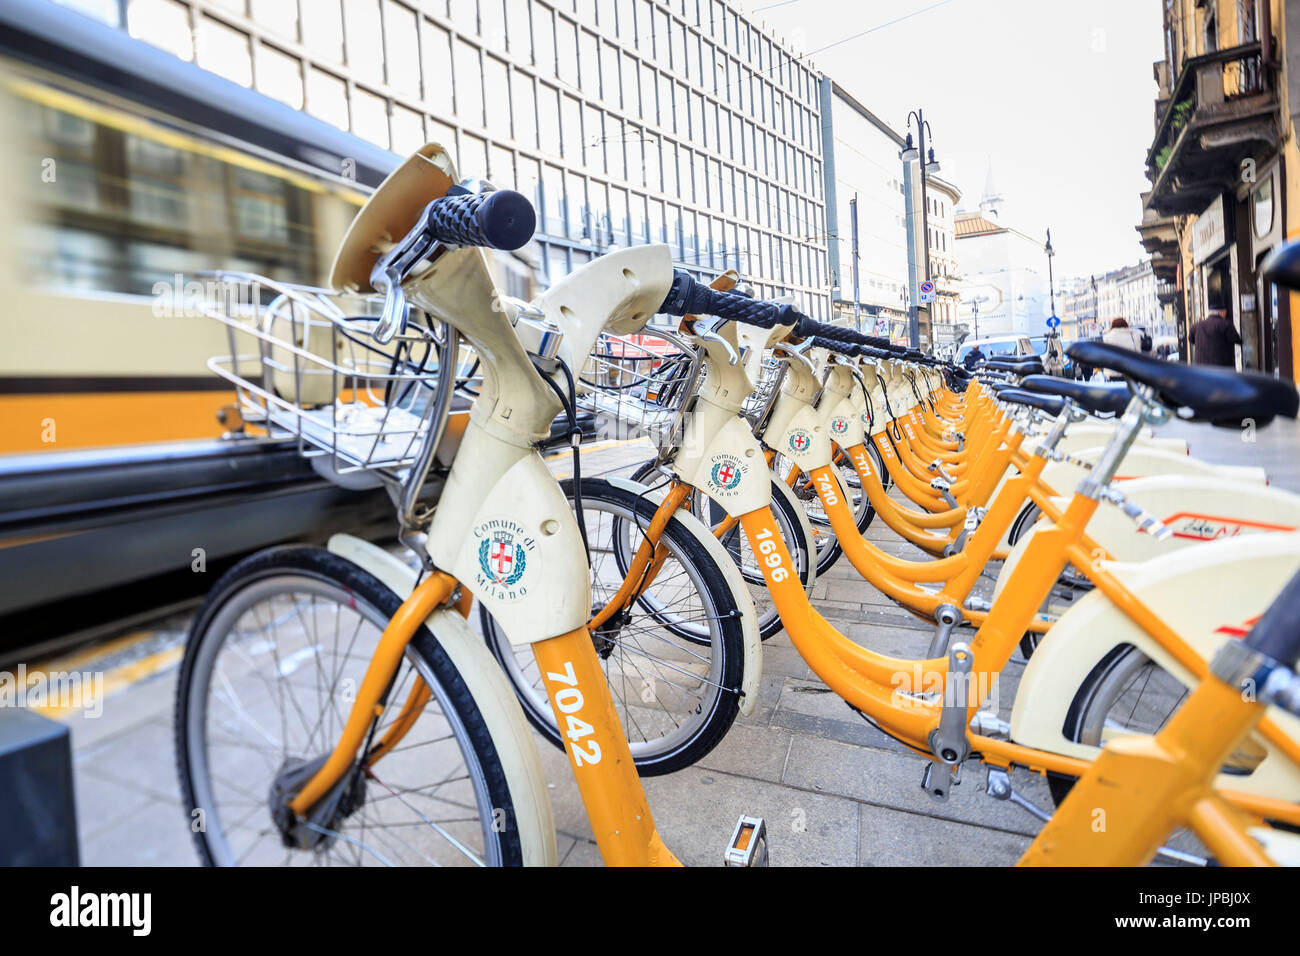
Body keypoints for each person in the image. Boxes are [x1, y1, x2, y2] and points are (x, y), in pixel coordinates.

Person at [1188, 272, 1241, 367]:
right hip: (1220, 368)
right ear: (1221, 312)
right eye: (1225, 311)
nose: (1226, 313)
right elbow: (1236, 339)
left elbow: (1191, 339)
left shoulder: (1197, 325)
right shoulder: (1225, 324)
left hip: (1200, 369)